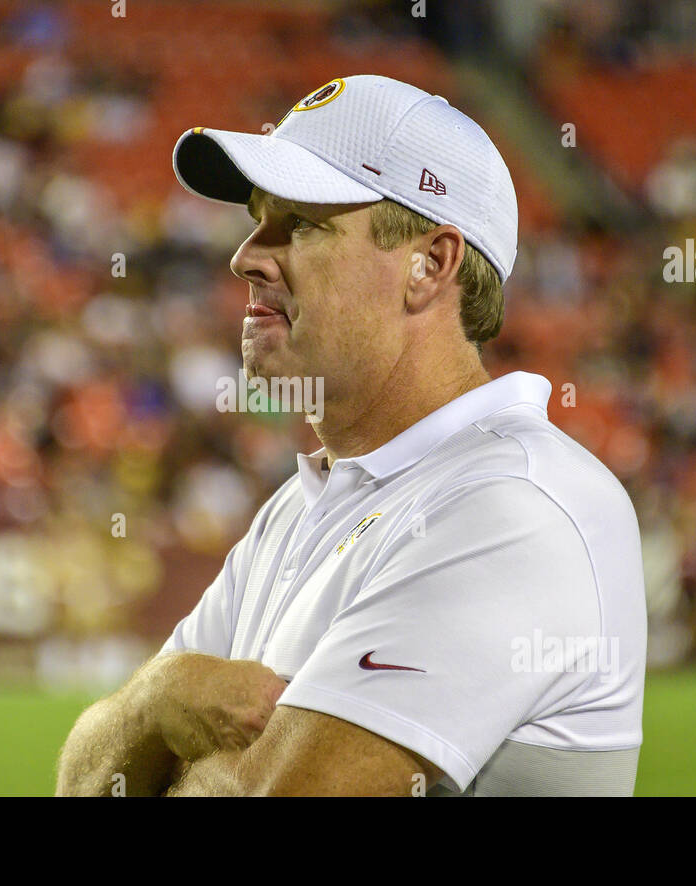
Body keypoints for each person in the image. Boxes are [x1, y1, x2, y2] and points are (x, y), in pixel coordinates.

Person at [56, 75, 646, 796]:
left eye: (301, 224)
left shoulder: (517, 506)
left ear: (430, 265)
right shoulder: (298, 509)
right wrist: (157, 698)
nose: (245, 256)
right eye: (255, 218)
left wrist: (172, 751)